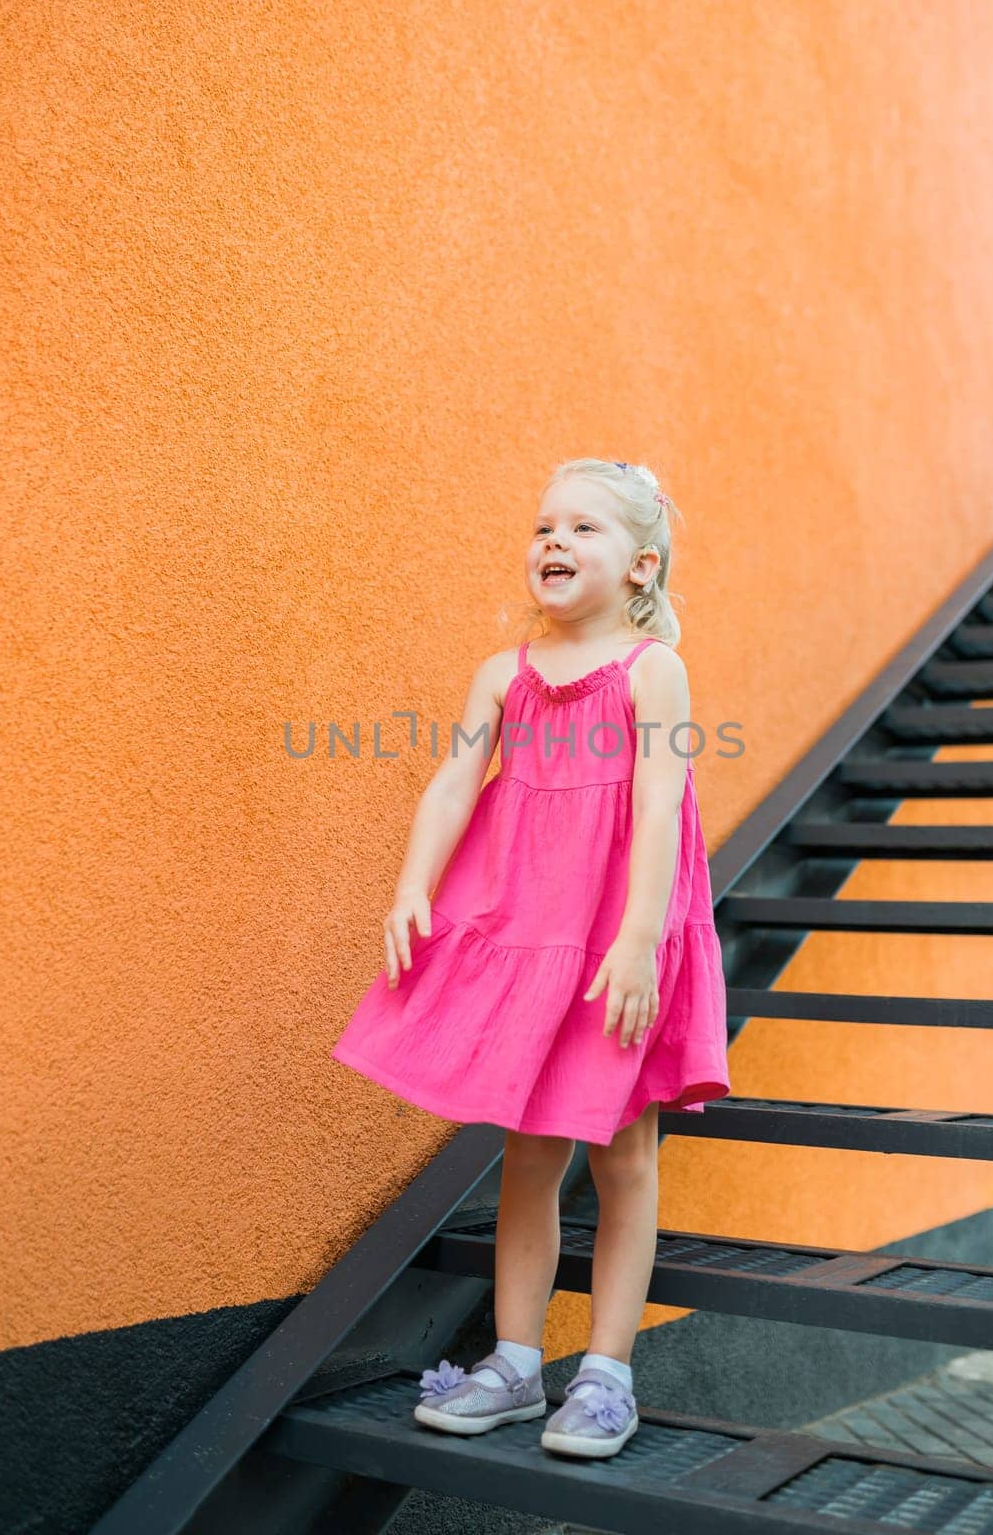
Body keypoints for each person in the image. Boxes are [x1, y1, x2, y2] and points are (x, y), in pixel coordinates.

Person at [330, 456, 731, 1460]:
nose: (553, 541)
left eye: (582, 529)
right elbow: (455, 780)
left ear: (640, 566)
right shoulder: (504, 673)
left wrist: (641, 938)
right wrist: (414, 883)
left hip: (620, 940)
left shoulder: (651, 670)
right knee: (528, 1147)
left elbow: (655, 806)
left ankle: (606, 1373)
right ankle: (515, 1362)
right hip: (531, 936)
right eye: (543, 526)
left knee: (625, 1154)